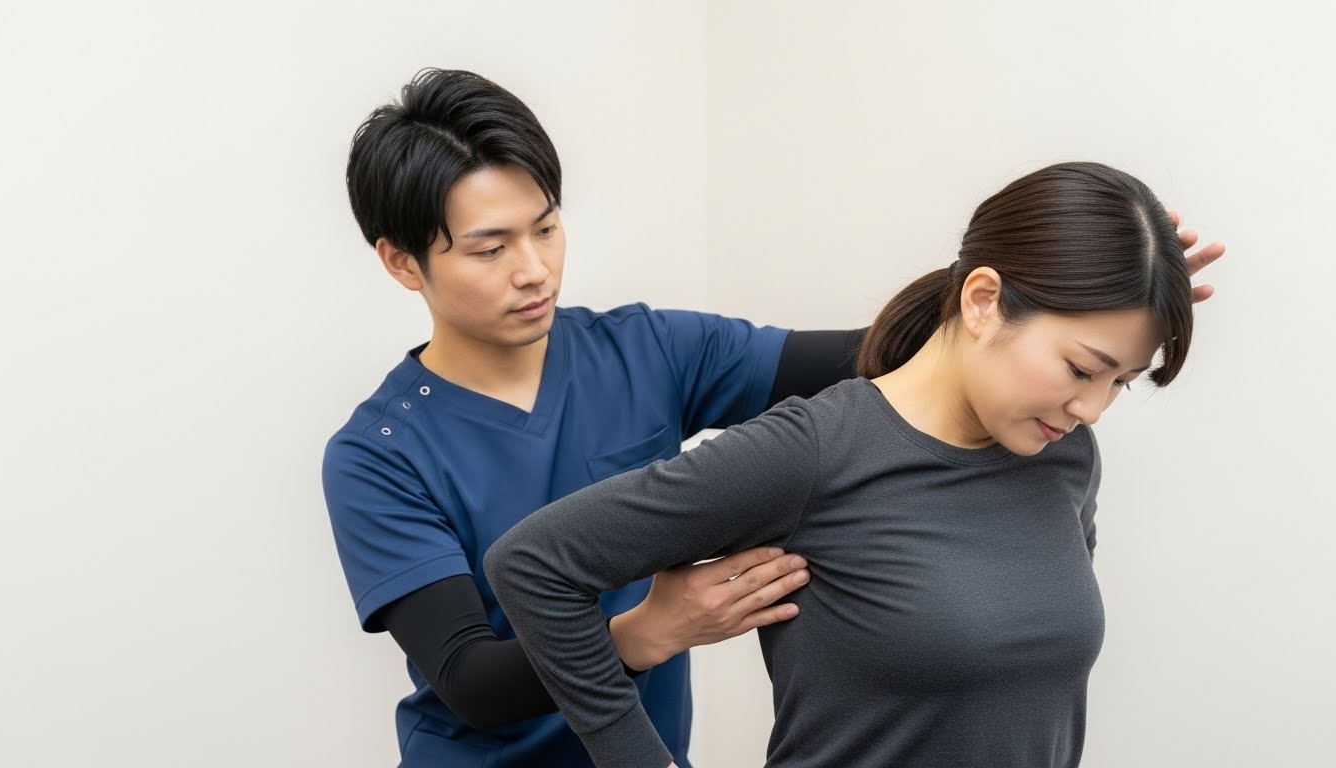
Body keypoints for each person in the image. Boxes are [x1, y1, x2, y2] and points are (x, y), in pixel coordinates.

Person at [485, 161, 1224, 768]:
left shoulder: (1063, 454)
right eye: (1080, 368)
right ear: (982, 301)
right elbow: (536, 565)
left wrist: (1133, 276)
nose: (1092, 408)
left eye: (1120, 382)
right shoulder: (814, 451)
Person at [322, 68, 877, 768]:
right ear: (402, 262)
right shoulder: (379, 454)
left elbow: (866, 356)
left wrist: (984, 301)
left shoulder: (647, 351)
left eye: (546, 228)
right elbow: (471, 681)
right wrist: (650, 632)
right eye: (491, 249)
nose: (535, 270)